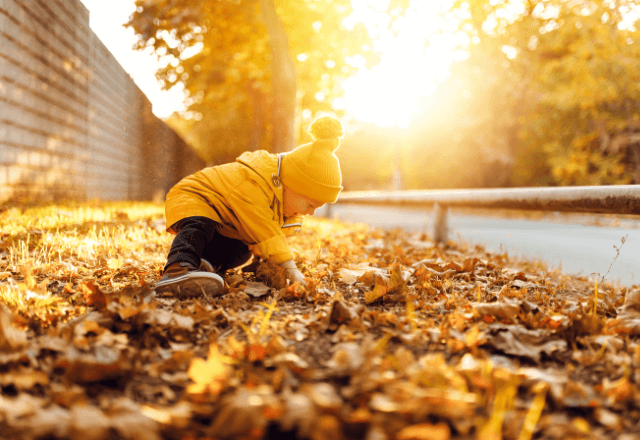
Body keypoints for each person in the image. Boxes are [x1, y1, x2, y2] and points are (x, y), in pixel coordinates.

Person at [155, 116, 344, 297]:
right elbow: (265, 230)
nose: (310, 212)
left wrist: (267, 264)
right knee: (200, 223)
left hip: (224, 217)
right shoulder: (255, 182)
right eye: (310, 204)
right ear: (292, 184)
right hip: (196, 196)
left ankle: (204, 264)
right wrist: (289, 267)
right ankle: (178, 269)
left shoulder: (281, 200)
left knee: (242, 251)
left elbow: (263, 241)